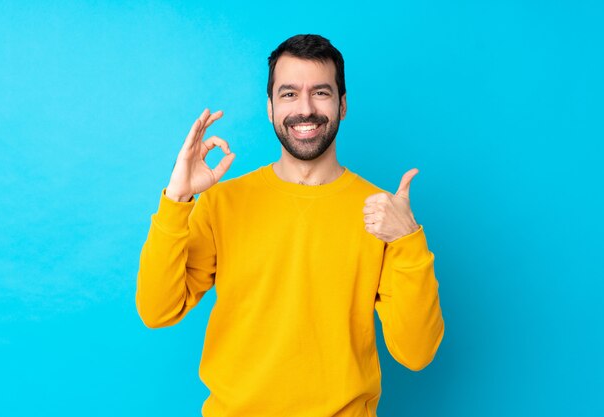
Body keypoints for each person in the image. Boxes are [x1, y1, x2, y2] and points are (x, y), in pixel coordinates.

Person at [136, 34, 444, 417]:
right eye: (288, 94)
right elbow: (157, 310)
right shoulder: (222, 202)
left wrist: (408, 241)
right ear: (269, 108)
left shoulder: (382, 215)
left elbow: (417, 353)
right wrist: (177, 200)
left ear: (343, 105)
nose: (306, 109)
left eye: (321, 93)